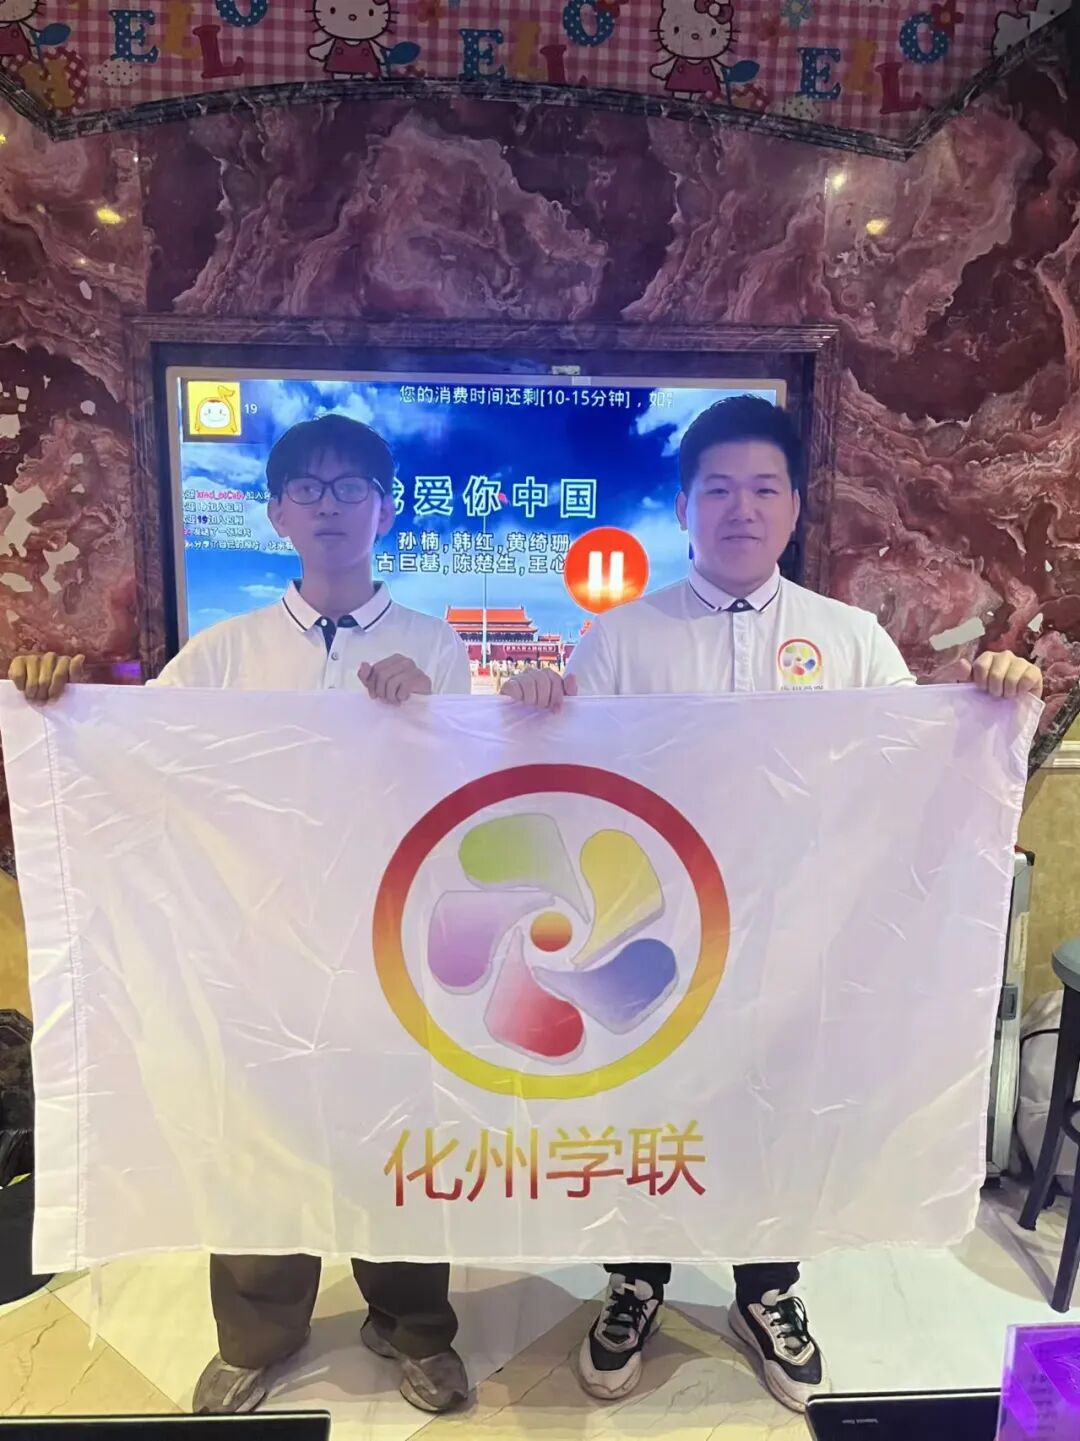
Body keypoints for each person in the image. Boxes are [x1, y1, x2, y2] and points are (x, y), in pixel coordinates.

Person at [501, 394, 1042, 1415]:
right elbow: (571, 784)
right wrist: (535, 706)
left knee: (781, 1108)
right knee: (649, 1101)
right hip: (659, 933)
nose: (740, 509)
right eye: (717, 489)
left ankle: (768, 1290)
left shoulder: (849, 639)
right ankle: (637, 1282)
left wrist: (990, 694)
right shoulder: (621, 638)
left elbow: (914, 765)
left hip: (801, 934)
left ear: (794, 506)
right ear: (683, 507)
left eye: (762, 488)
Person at [9, 412, 472, 1418]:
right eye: (308, 488)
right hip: (255, 947)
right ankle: (262, 1331)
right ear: (276, 514)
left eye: (352, 487)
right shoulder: (223, 653)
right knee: (257, 1136)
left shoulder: (437, 647)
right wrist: (60, 706)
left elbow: (467, 801)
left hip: (388, 947)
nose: (330, 505)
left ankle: (413, 1325)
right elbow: (142, 761)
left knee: (394, 1136)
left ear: (387, 509)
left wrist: (432, 714)